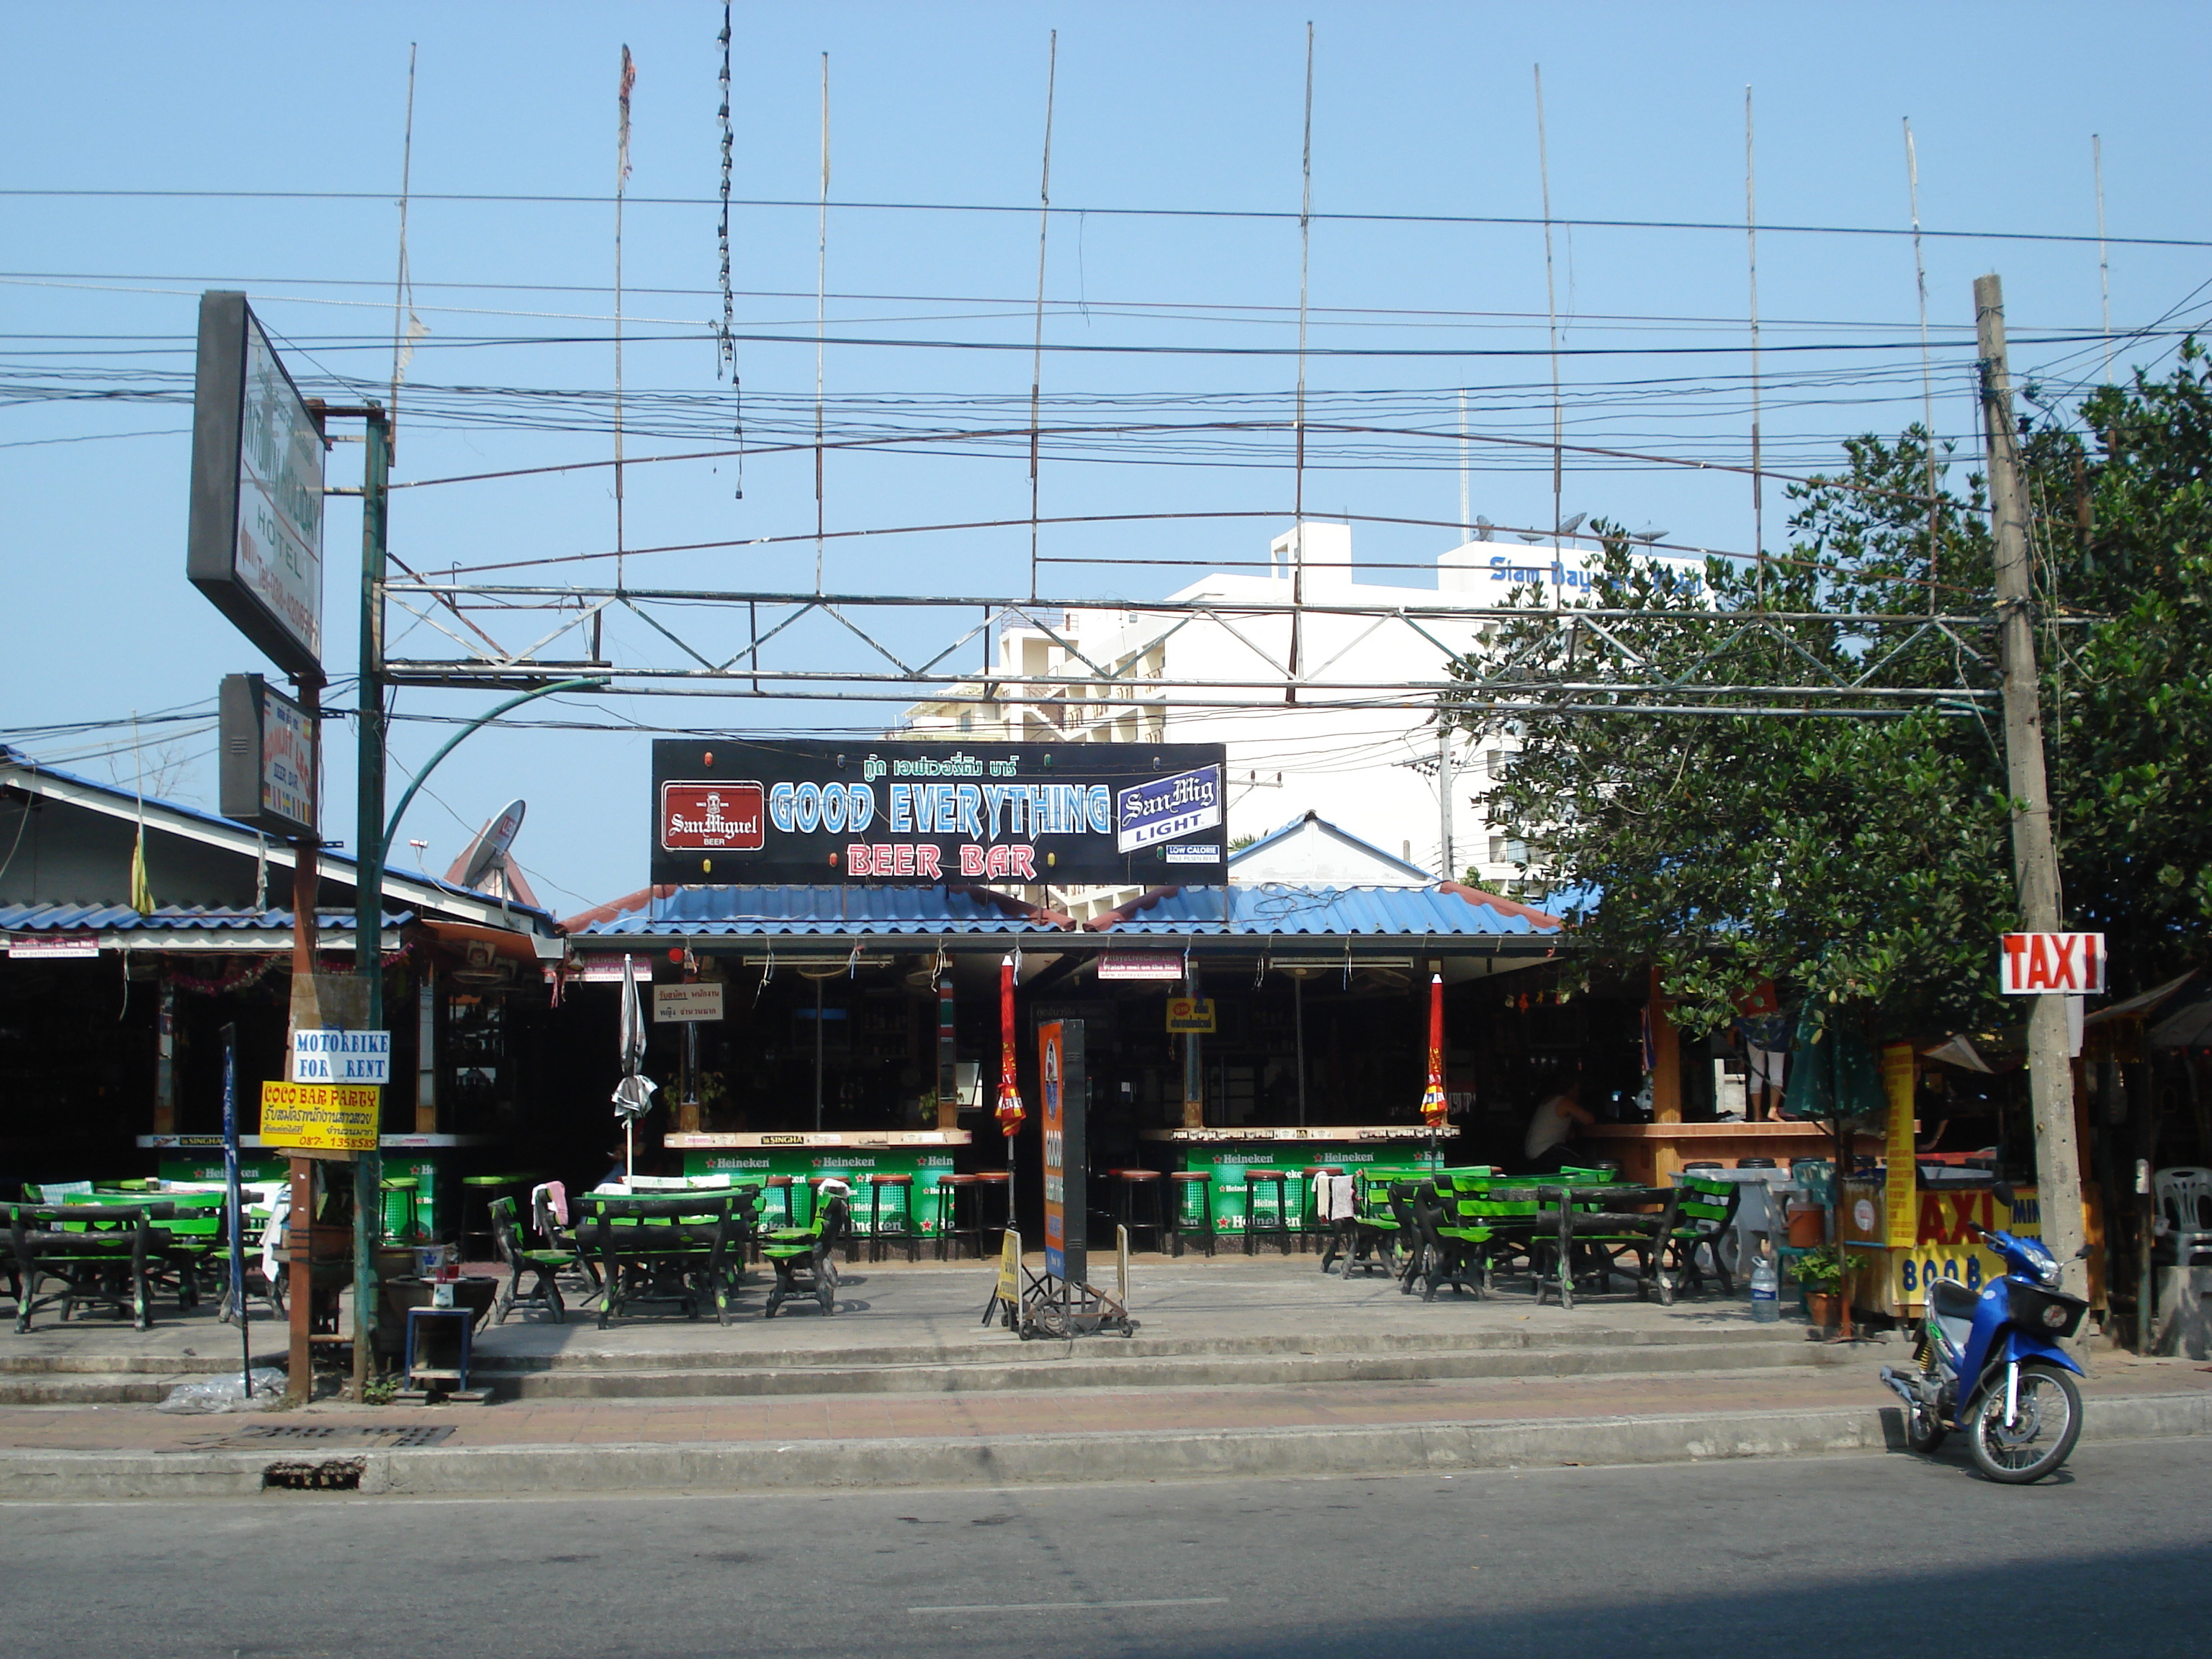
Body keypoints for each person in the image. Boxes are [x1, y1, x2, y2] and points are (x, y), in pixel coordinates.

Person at [1521, 1076, 1597, 1174]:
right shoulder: (1564, 1102)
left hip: (1533, 1151)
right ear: (1570, 1090)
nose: (1578, 1094)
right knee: (1583, 1165)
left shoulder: (1550, 1100)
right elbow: (1589, 1120)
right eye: (1577, 1090)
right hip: (1546, 1150)